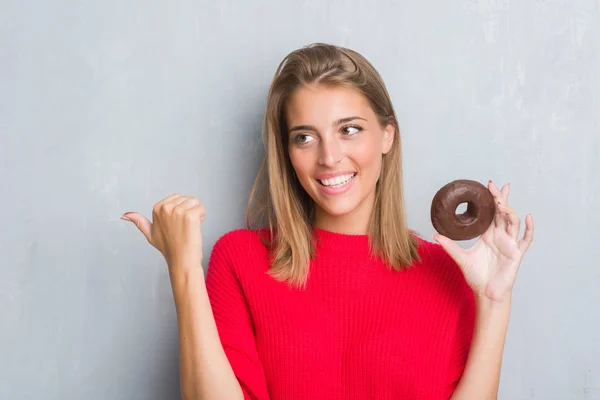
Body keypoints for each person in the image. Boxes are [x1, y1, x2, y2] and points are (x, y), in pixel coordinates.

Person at [121, 43, 534, 400]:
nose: (329, 157)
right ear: (286, 150)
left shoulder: (446, 272)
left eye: (349, 130)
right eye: (304, 136)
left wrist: (494, 303)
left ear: (387, 136)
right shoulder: (240, 259)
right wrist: (184, 272)